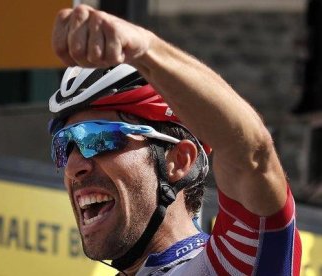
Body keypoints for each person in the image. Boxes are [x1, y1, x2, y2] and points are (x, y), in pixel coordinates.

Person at [48, 4, 302, 276]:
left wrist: (145, 48)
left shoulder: (228, 266)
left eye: (99, 138)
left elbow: (251, 155)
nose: (73, 166)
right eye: (65, 145)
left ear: (179, 160)